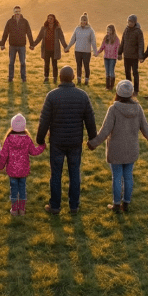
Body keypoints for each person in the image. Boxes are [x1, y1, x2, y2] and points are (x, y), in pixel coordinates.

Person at [36, 66, 97, 214]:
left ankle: (55, 206)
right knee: (74, 172)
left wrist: (40, 139)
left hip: (57, 141)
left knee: (56, 174)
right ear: (73, 77)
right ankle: (74, 206)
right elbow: (90, 119)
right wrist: (92, 138)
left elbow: (44, 120)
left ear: (60, 77)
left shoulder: (52, 96)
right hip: (75, 141)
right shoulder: (82, 96)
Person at [88, 80, 148, 212]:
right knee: (128, 175)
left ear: (117, 93)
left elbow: (105, 130)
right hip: (131, 149)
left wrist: (93, 143)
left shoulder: (113, 109)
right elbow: (146, 129)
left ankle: (116, 204)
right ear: (131, 94)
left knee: (117, 176)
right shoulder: (138, 108)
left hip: (116, 150)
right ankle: (126, 203)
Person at [0, 113, 46, 216]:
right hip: (23, 171)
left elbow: (4, 154)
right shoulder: (27, 139)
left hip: (12, 171)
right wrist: (42, 146)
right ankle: (22, 210)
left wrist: (0, 166)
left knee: (13, 190)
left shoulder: (9, 139)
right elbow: (34, 152)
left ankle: (14, 210)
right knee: (22, 189)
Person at [1, 5, 34, 82]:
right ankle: (10, 78)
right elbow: (5, 33)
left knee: (22, 63)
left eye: (19, 11)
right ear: (13, 12)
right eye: (16, 12)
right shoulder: (9, 22)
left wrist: (31, 44)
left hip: (22, 46)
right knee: (11, 63)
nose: (17, 13)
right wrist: (2, 44)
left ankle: (23, 78)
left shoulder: (25, 21)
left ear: (20, 12)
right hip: (12, 46)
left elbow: (29, 33)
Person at [33, 14, 68, 84]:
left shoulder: (57, 28)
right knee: (46, 64)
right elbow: (39, 38)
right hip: (46, 49)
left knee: (54, 65)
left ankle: (55, 78)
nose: (50, 20)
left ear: (54, 19)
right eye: (48, 18)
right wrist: (33, 45)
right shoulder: (44, 28)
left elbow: (62, 38)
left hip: (54, 50)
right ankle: (46, 78)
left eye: (51, 18)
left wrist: (65, 47)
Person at [65, 12, 98, 86]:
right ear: (80, 21)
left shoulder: (90, 30)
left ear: (87, 21)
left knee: (86, 66)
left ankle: (86, 80)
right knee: (78, 65)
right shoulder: (77, 29)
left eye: (84, 20)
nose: (83, 22)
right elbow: (73, 39)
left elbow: (93, 41)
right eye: (82, 20)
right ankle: (79, 79)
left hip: (86, 51)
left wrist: (95, 51)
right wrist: (68, 47)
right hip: (78, 51)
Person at [118, 14, 144, 96]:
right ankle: (129, 89)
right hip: (126, 55)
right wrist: (119, 52)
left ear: (135, 22)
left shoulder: (138, 31)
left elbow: (141, 44)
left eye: (131, 22)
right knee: (127, 72)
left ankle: (136, 90)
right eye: (128, 21)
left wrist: (140, 56)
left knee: (135, 73)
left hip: (134, 56)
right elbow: (123, 42)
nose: (129, 23)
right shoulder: (126, 30)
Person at [97, 24, 120, 90]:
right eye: (107, 30)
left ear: (112, 31)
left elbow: (118, 47)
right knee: (107, 72)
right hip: (106, 57)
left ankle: (111, 87)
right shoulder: (106, 37)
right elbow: (102, 46)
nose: (107, 31)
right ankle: (107, 86)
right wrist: (97, 52)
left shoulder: (116, 39)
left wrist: (119, 55)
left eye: (109, 30)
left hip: (113, 58)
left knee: (111, 72)